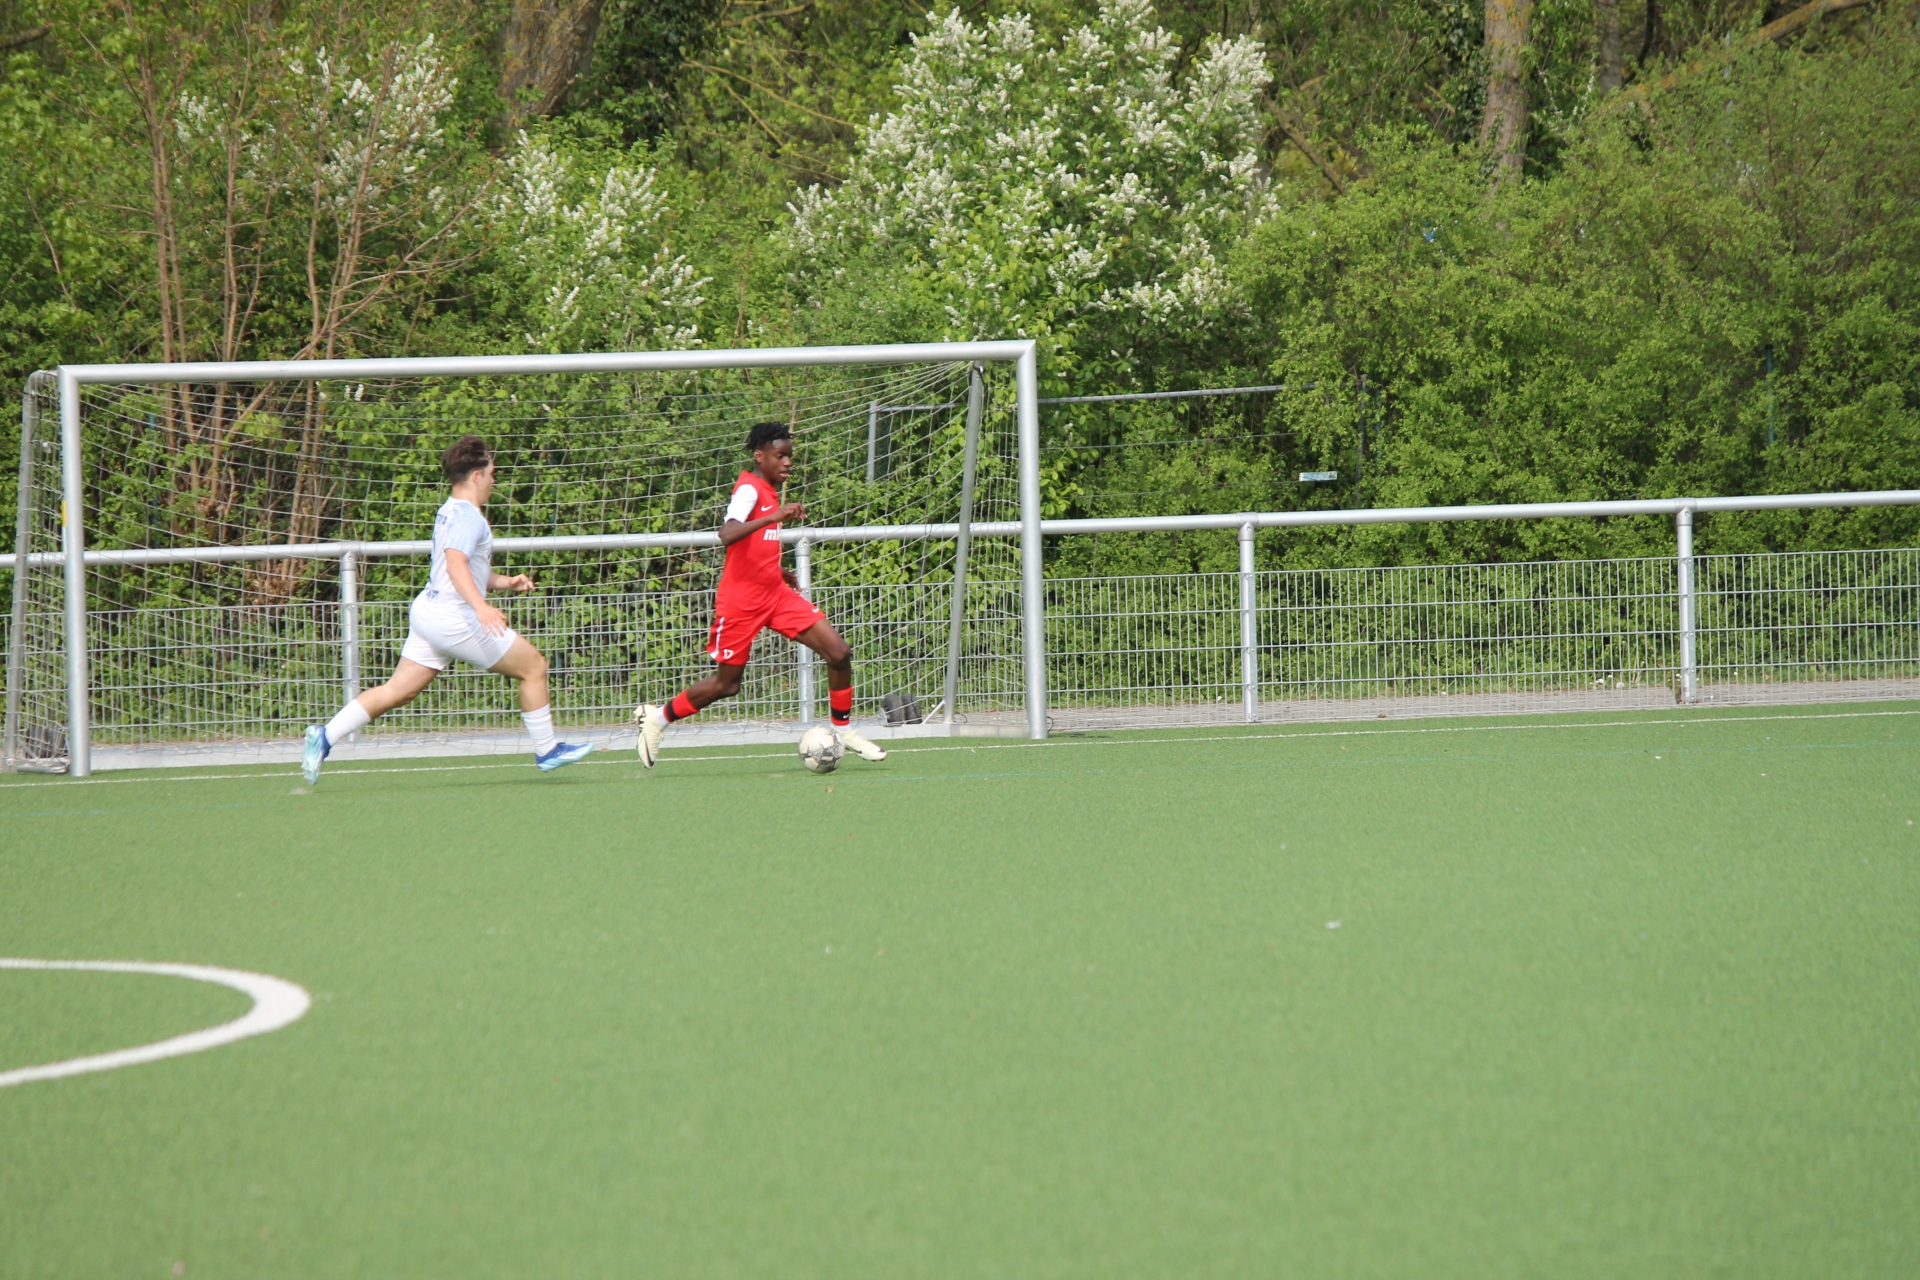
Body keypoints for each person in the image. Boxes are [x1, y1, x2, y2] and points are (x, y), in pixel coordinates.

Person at [301, 435, 594, 783]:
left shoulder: (449, 509)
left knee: (399, 690)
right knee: (534, 667)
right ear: (476, 476)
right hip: (454, 619)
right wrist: (481, 608)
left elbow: (464, 570)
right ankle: (547, 749)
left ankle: (325, 736)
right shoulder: (470, 518)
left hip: (429, 610)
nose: (493, 481)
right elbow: (455, 564)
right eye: (492, 474)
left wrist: (506, 582)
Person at [634, 421, 888, 769]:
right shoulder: (749, 490)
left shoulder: (768, 492)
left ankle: (843, 731)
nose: (788, 463)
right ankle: (658, 719)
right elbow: (728, 534)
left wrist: (778, 571)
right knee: (727, 685)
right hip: (741, 603)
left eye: (789, 456)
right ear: (759, 456)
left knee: (839, 653)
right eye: (780, 456)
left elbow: (755, 545)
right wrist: (777, 515)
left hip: (775, 594)